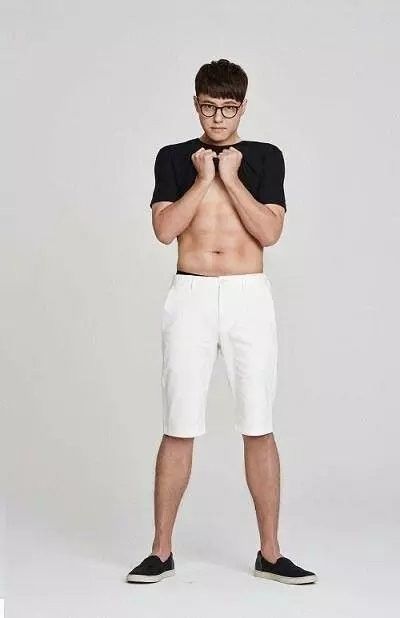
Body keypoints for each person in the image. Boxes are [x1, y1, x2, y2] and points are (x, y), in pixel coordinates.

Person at [126, 59, 317, 585]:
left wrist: (230, 179)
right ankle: (161, 551)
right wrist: (203, 178)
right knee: (178, 424)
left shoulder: (265, 157)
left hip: (247, 295)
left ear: (243, 108)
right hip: (189, 294)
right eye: (209, 107)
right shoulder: (173, 157)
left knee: (259, 423)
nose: (218, 118)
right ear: (196, 104)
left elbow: (269, 232)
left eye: (228, 109)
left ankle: (270, 553)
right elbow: (164, 229)